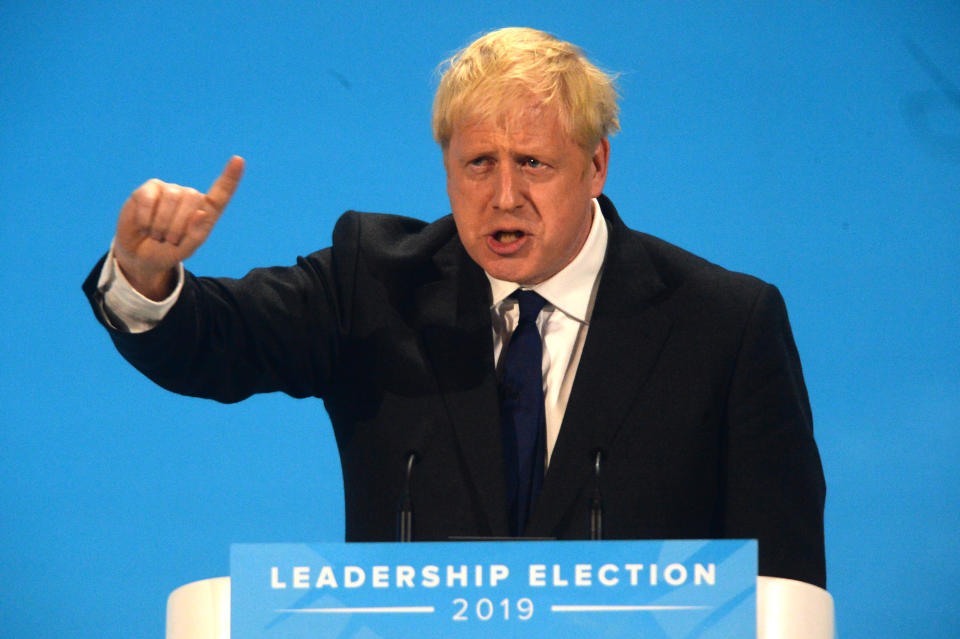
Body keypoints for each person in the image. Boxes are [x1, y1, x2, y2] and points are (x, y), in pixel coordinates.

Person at [84, 28, 826, 587]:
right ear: (447, 168)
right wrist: (149, 277)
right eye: (478, 164)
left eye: (532, 162)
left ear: (596, 163)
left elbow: (784, 578)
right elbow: (222, 337)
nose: (504, 196)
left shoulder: (725, 325)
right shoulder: (374, 286)